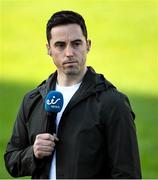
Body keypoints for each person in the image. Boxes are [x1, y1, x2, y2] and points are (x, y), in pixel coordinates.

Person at [4, 10, 142, 179]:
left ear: (88, 45)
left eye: (76, 44)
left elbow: (128, 174)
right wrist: (32, 152)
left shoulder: (113, 103)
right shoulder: (33, 100)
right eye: (60, 45)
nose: (69, 53)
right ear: (48, 49)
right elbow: (11, 160)